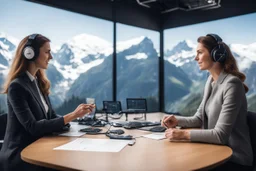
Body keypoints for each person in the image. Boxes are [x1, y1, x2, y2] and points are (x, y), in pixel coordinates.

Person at [0, 34, 95, 171]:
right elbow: (33, 127)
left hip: (38, 147)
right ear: (30, 54)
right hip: (20, 156)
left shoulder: (39, 83)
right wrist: (72, 116)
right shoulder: (17, 86)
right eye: (47, 52)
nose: (51, 57)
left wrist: (75, 120)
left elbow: (50, 116)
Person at [162, 34, 253, 171]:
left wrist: (183, 134)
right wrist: (176, 121)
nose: (195, 58)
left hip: (234, 158)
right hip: (216, 150)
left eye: (200, 52)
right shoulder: (210, 81)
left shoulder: (232, 84)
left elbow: (220, 135)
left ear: (216, 55)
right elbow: (199, 118)